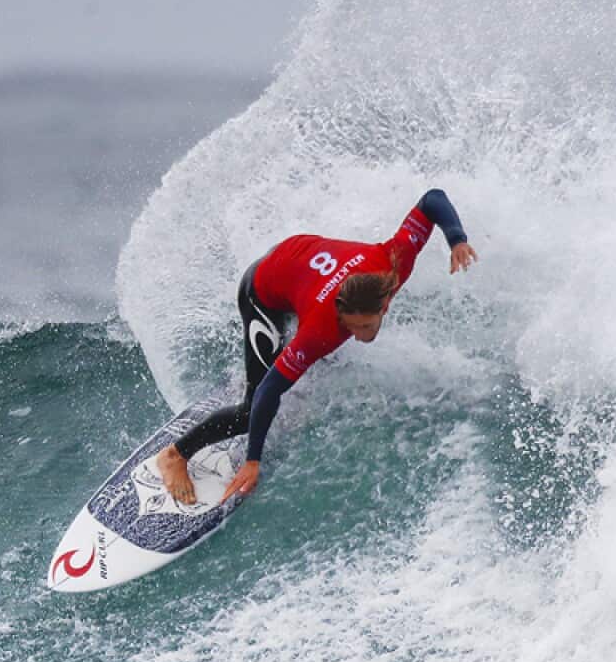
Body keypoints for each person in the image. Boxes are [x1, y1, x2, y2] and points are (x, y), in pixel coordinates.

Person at [156, 189, 478, 504]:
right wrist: (253, 460)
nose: (360, 333)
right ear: (340, 313)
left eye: (366, 325)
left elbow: (433, 199)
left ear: (384, 305)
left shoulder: (393, 261)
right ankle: (176, 454)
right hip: (262, 289)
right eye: (352, 326)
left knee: (316, 361)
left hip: (296, 261)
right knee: (250, 408)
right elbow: (271, 390)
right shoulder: (319, 332)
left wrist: (457, 239)